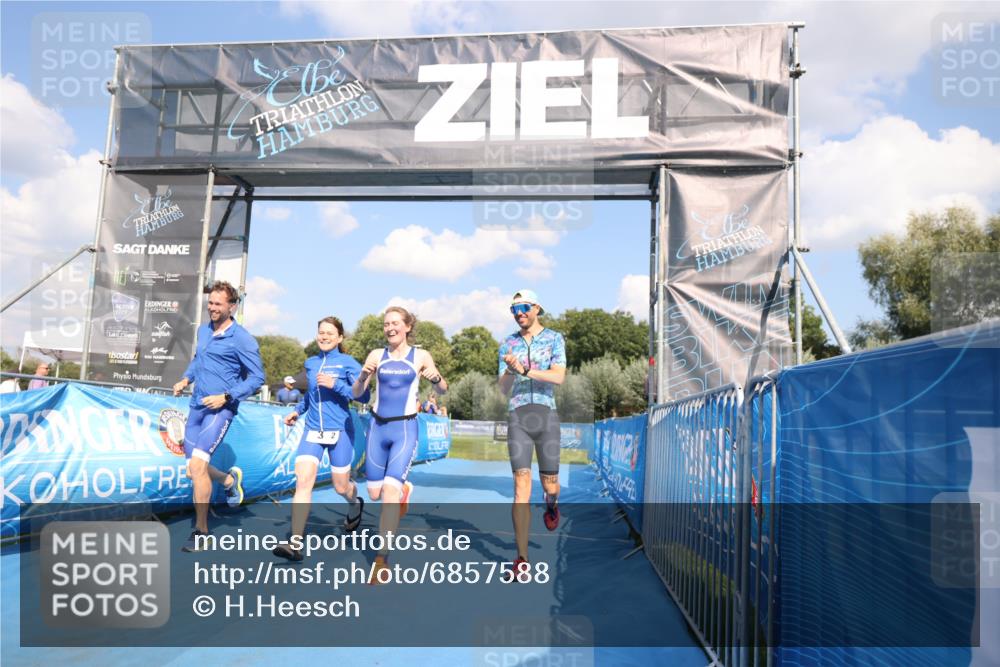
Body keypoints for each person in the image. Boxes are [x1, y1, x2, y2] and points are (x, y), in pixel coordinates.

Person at [352, 306, 447, 583]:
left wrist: (436, 378)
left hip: (404, 428)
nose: (390, 328)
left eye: (395, 323)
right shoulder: (375, 355)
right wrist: (361, 377)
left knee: (389, 495)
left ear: (407, 327)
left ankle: (382, 560)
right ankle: (404, 489)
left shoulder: (421, 355)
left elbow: (443, 388)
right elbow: (357, 394)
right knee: (373, 494)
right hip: (377, 427)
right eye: (386, 324)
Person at [173, 281, 265, 552]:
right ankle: (227, 480)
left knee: (199, 467)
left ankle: (201, 531)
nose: (212, 308)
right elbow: (198, 360)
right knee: (193, 470)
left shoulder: (243, 339)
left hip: (220, 409)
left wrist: (226, 396)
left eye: (218, 304)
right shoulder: (203, 330)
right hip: (196, 406)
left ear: (232, 306)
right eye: (210, 303)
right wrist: (185, 378)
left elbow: (258, 377)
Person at [274, 317, 369, 562]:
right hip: (312, 430)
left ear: (339, 338)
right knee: (303, 481)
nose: (324, 336)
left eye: (329, 333)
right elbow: (311, 396)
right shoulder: (311, 362)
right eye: (321, 332)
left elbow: (364, 396)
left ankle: (354, 503)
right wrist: (298, 410)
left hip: (340, 431)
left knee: (341, 487)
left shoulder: (348, 363)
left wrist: (336, 385)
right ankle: (295, 542)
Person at [498, 289, 566, 581]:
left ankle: (551, 504)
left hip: (546, 415)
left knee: (550, 485)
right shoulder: (508, 343)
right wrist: (511, 371)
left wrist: (525, 369)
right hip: (518, 416)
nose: (519, 312)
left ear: (537, 308)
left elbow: (558, 377)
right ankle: (522, 557)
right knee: (520, 486)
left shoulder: (554, 338)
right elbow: (502, 389)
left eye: (524, 307)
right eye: (514, 309)